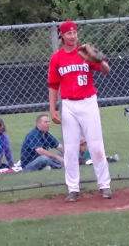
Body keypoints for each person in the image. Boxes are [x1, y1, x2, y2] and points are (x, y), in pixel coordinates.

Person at [48, 20, 113, 201]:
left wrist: (99, 59)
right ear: (61, 36)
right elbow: (53, 85)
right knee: (70, 148)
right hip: (68, 104)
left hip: (88, 101)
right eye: (68, 33)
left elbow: (107, 71)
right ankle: (73, 189)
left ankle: (104, 185)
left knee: (95, 144)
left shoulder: (84, 52)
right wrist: (53, 109)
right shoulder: (57, 58)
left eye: (75, 32)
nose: (73, 36)